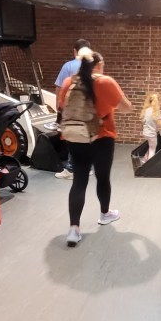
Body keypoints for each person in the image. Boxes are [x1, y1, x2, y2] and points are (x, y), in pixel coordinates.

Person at [58, 51, 133, 247]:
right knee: (102, 177)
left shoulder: (68, 82)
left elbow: (61, 107)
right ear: (99, 65)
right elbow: (127, 107)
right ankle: (105, 214)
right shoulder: (104, 82)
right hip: (101, 137)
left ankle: (74, 229)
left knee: (79, 180)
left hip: (75, 137)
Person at [53, 39, 91, 179]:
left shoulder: (68, 66)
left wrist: (58, 106)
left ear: (75, 51)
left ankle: (71, 169)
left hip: (72, 109)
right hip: (88, 110)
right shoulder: (94, 65)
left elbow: (60, 87)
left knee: (72, 137)